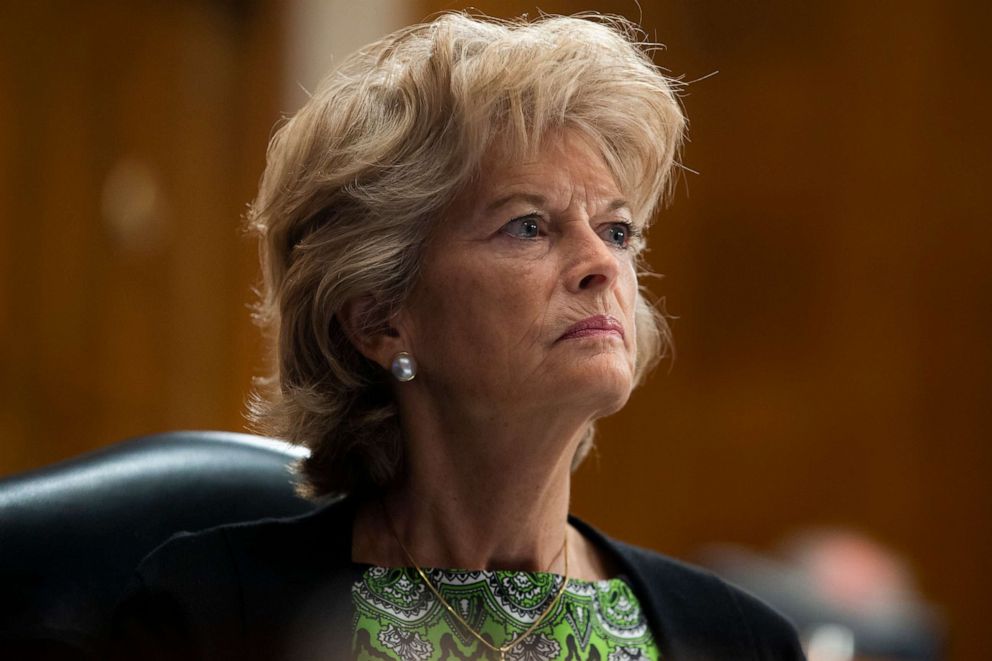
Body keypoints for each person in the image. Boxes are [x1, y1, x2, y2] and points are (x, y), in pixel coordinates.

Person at [108, 12, 805, 661]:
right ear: (379, 317)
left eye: (617, 230)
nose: (602, 265)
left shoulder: (742, 640)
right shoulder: (206, 613)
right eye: (528, 225)